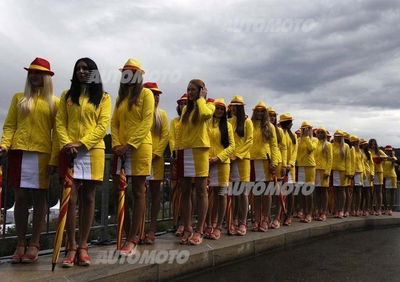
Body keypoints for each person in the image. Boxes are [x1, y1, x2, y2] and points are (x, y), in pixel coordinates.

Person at [0, 58, 59, 263]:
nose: (34, 76)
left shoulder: (55, 102)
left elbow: (57, 133)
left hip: (42, 153)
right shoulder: (18, 98)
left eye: (38, 73)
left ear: (47, 77)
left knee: (40, 198)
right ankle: (20, 243)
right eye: (31, 72)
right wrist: (5, 144)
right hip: (19, 152)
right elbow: (9, 125)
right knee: (21, 198)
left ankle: (34, 242)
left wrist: (54, 159)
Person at [56, 57, 111, 266]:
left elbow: (102, 126)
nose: (81, 71)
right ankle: (70, 246)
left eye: (86, 68)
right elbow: (60, 122)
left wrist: (82, 144)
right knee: (70, 198)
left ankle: (83, 245)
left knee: (88, 198)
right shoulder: (67, 96)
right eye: (78, 68)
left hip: (92, 150)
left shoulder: (103, 97)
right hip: (69, 151)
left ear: (93, 72)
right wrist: (67, 143)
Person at [111, 58, 154, 254]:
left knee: (138, 192)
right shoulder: (120, 98)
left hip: (139, 147)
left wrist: (129, 144)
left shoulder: (146, 94)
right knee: (121, 192)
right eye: (125, 73)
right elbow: (115, 123)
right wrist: (117, 144)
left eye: (132, 73)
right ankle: (125, 231)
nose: (128, 76)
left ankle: (134, 237)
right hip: (121, 149)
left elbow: (147, 121)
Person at [175, 79, 214, 245]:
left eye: (193, 90)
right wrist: (177, 151)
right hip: (185, 151)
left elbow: (205, 114)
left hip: (199, 151)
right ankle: (188, 227)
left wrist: (202, 99)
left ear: (201, 90)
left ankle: (200, 229)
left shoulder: (208, 106)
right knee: (185, 191)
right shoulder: (185, 110)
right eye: (188, 90)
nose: (189, 93)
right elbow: (180, 132)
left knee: (201, 191)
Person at [142, 82, 169, 244]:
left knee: (155, 194)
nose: (156, 97)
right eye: (153, 94)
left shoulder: (162, 115)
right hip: (141, 157)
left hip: (156, 159)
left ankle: (152, 229)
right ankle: (140, 229)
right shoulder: (141, 113)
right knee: (141, 194)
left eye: (158, 95)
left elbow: (165, 135)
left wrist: (156, 153)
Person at [205, 98, 235, 240]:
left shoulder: (228, 126)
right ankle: (210, 223)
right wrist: (208, 158)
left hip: (222, 163)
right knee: (211, 194)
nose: (219, 111)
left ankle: (218, 227)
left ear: (225, 112)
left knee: (221, 195)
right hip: (208, 163)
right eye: (217, 108)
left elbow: (231, 146)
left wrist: (218, 158)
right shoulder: (206, 123)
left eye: (222, 109)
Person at [250, 101, 278, 231]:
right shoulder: (249, 124)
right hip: (252, 160)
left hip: (265, 161)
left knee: (266, 193)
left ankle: (266, 219)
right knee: (256, 193)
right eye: (258, 111)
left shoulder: (270, 126)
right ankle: (256, 219)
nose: (260, 113)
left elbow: (274, 146)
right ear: (254, 112)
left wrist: (274, 162)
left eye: (262, 111)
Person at [228, 96, 253, 235]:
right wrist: (229, 156)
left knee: (242, 192)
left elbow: (249, 141)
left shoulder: (247, 122)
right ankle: (234, 220)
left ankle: (243, 222)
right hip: (230, 161)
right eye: (231, 106)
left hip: (242, 160)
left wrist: (237, 155)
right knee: (233, 192)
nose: (232, 108)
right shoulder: (229, 122)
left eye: (235, 106)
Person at [170, 93, 188, 236]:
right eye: (181, 103)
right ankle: (176, 222)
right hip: (178, 158)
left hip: (190, 157)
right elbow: (171, 138)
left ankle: (186, 221)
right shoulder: (175, 121)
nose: (183, 106)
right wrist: (174, 152)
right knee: (177, 191)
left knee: (191, 192)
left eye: (185, 103)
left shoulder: (192, 120)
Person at [268, 107, 287, 229]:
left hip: (278, 163)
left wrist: (284, 164)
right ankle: (267, 217)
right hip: (265, 162)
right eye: (270, 115)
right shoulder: (262, 129)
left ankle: (277, 218)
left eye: (274, 116)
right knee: (267, 192)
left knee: (278, 192)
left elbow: (284, 148)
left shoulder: (279, 131)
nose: (272, 118)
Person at [278, 113, 298, 226]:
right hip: (281, 166)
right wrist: (283, 164)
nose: (292, 124)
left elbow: (295, 152)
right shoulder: (279, 133)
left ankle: (289, 216)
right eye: (290, 122)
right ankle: (280, 215)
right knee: (280, 193)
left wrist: (290, 164)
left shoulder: (293, 136)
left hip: (290, 168)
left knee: (290, 193)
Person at [296, 121, 317, 223]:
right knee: (302, 192)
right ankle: (304, 212)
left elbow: (310, 149)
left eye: (307, 128)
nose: (305, 130)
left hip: (310, 166)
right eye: (303, 129)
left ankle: (309, 213)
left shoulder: (314, 140)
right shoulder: (298, 139)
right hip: (300, 166)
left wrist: (307, 137)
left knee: (309, 192)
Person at [314, 127, 332, 221]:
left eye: (322, 133)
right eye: (318, 133)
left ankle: (323, 212)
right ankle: (317, 210)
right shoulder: (315, 143)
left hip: (324, 170)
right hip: (315, 170)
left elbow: (330, 159)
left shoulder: (328, 144)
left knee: (324, 191)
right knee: (317, 191)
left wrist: (328, 171)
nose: (320, 134)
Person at [331, 130, 351, 218]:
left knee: (342, 190)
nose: (337, 137)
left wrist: (348, 172)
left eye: (339, 136)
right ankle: (336, 209)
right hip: (333, 171)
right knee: (335, 191)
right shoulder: (331, 146)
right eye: (336, 136)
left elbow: (348, 160)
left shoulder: (346, 146)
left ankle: (341, 210)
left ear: (342, 137)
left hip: (343, 171)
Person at [369, 139, 387, 216]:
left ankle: (378, 209)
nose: (373, 146)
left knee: (378, 191)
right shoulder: (368, 151)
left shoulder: (379, 151)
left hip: (379, 172)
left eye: (374, 144)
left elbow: (386, 157)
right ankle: (370, 208)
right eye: (371, 144)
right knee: (370, 192)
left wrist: (380, 159)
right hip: (370, 172)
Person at [350, 136, 364, 216]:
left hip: (359, 172)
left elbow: (362, 163)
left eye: (357, 142)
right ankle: (352, 209)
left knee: (358, 191)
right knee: (352, 191)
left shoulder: (360, 151)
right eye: (355, 141)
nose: (357, 143)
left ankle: (357, 209)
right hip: (352, 173)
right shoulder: (351, 150)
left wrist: (364, 172)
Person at [360, 138, 374, 216]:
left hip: (368, 174)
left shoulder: (369, 153)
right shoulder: (359, 152)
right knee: (361, 192)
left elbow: (372, 164)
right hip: (361, 173)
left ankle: (366, 208)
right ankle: (360, 208)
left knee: (368, 192)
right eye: (363, 144)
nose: (365, 145)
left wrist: (372, 173)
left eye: (366, 144)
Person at [382, 145, 397, 215]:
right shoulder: (382, 157)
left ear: (391, 151)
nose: (388, 151)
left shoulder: (393, 157)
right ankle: (385, 208)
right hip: (384, 176)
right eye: (387, 150)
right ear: (385, 150)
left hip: (392, 176)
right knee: (384, 193)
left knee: (392, 193)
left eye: (389, 150)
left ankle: (390, 209)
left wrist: (387, 157)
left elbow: (394, 160)